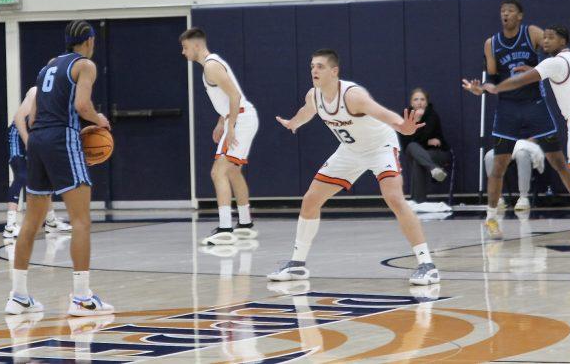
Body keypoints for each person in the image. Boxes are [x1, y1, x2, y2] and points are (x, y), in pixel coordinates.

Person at [267, 49, 439, 286]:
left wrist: (403, 126)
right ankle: (297, 265)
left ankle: (427, 265)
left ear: (334, 71)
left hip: (380, 147)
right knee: (310, 199)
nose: (314, 70)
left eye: (320, 66)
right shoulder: (314, 95)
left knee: (394, 198)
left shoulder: (352, 95)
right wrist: (293, 123)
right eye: (312, 66)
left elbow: (382, 113)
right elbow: (307, 112)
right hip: (350, 151)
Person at [464, 25, 570, 251]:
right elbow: (547, 71)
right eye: (545, 38)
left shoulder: (554, 63)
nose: (546, 41)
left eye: (552, 38)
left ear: (563, 41)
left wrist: (491, 89)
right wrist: (535, 67)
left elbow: (519, 81)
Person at [6, 20, 114, 317]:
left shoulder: (48, 66)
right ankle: (81, 298)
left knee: (31, 221)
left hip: (38, 138)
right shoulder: (85, 66)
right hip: (60, 138)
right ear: (90, 40)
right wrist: (99, 120)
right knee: (81, 221)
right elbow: (82, 106)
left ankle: (18, 296)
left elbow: (35, 113)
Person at [476, 0, 570, 240]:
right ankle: (491, 219)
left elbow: (555, 55)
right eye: (502, 11)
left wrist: (533, 70)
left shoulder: (532, 33)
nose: (505, 14)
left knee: (559, 162)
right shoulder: (492, 43)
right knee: (498, 166)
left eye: (510, 11)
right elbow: (493, 78)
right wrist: (483, 88)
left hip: (535, 106)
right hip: (507, 108)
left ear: (520, 15)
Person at [180, 27, 259, 245]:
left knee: (218, 172)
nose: (183, 52)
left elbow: (235, 95)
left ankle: (225, 228)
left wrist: (230, 124)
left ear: (196, 46)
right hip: (241, 116)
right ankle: (245, 224)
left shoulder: (211, 67)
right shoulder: (212, 64)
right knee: (233, 171)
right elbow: (228, 98)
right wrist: (221, 121)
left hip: (241, 118)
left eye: (185, 48)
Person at [4, 87, 71, 239]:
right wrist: (28, 141)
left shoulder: (63, 97)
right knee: (21, 175)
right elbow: (18, 118)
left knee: (45, 177)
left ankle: (51, 222)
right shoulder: (36, 92)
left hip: (37, 134)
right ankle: (10, 225)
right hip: (19, 134)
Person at [401, 88, 452, 205]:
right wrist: (416, 120)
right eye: (416, 99)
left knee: (418, 159)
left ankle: (418, 202)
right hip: (414, 151)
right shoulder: (405, 117)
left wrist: (424, 141)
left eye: (422, 99)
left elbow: (424, 136)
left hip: (438, 152)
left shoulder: (432, 116)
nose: (419, 102)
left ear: (427, 102)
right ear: (411, 103)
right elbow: (406, 142)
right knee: (413, 146)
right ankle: (433, 169)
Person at [483, 138, 545, 212]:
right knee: (489, 156)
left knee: (522, 155)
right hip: (508, 145)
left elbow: (536, 138)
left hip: (526, 146)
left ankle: (523, 197)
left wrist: (521, 143)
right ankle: (497, 198)